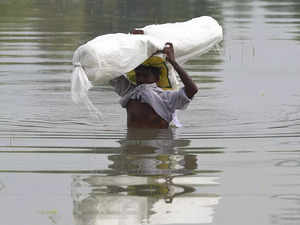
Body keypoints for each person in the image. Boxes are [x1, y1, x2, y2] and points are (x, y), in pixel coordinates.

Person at [110, 42, 198, 129]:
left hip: (160, 141)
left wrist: (173, 63)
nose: (140, 79)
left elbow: (192, 90)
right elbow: (111, 71)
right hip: (131, 143)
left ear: (157, 78)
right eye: (138, 75)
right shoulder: (130, 92)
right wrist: (134, 43)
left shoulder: (165, 97)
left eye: (145, 76)